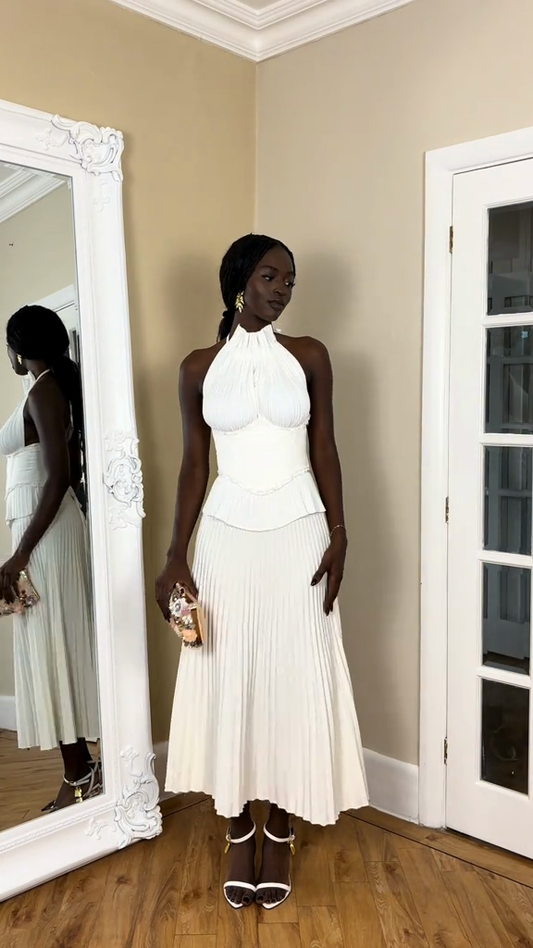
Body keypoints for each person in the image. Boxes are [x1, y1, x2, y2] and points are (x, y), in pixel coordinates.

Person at [156, 235, 368, 911]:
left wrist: (340, 533)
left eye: (290, 280)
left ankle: (279, 823)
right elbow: (194, 465)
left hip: (300, 532)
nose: (282, 289)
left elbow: (324, 446)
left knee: (292, 673)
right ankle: (237, 824)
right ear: (240, 280)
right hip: (224, 537)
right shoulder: (196, 367)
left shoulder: (309, 355)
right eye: (271, 276)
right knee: (228, 671)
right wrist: (175, 553)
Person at [0, 305, 100, 811]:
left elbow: (59, 477)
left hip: (41, 539)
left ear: (19, 350)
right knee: (53, 643)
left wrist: (19, 554)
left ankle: (80, 773)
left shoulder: (44, 390)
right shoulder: (49, 387)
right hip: (43, 533)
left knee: (52, 644)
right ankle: (83, 768)